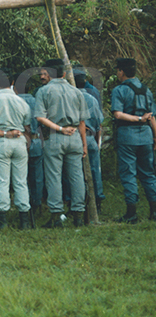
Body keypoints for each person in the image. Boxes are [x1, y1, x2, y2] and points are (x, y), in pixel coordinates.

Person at [34, 59, 89, 228]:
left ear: (49, 73)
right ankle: (78, 216)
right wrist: (84, 144)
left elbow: (40, 117)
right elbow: (82, 122)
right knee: (76, 176)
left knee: (53, 177)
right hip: (75, 137)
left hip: (55, 136)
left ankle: (56, 216)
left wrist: (58, 128)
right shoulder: (76, 92)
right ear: (64, 74)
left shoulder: (44, 91)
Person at [0, 70, 32, 230]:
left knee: (1, 182)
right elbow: (27, 126)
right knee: (21, 181)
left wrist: (3, 133)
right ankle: (24, 219)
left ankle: (2, 220)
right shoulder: (22, 102)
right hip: (19, 141)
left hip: (1, 142)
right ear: (11, 84)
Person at [111, 58, 156, 223]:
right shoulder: (146, 90)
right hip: (146, 136)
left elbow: (117, 114)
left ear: (121, 72)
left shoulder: (119, 90)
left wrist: (137, 118)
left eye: (117, 70)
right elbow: (152, 117)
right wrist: (155, 137)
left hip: (128, 135)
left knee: (128, 173)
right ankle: (154, 211)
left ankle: (132, 213)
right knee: (148, 173)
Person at [12, 72, 44, 215]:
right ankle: (37, 205)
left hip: (19, 140)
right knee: (36, 176)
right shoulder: (37, 100)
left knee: (20, 176)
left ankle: (23, 206)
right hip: (36, 139)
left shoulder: (13, 102)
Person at [74, 70, 105, 213]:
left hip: (75, 137)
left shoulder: (70, 98)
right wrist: (98, 142)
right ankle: (97, 200)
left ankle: (77, 202)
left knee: (75, 172)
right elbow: (99, 123)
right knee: (95, 170)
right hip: (91, 137)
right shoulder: (92, 98)